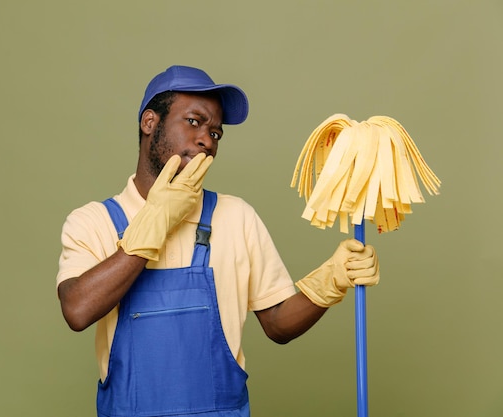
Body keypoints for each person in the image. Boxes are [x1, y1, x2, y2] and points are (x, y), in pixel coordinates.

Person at [56, 65, 380, 417]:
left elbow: (278, 325)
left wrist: (330, 280)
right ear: (150, 122)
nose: (206, 140)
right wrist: (154, 223)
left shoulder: (235, 217)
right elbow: (77, 309)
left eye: (215, 133)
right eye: (194, 122)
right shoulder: (94, 222)